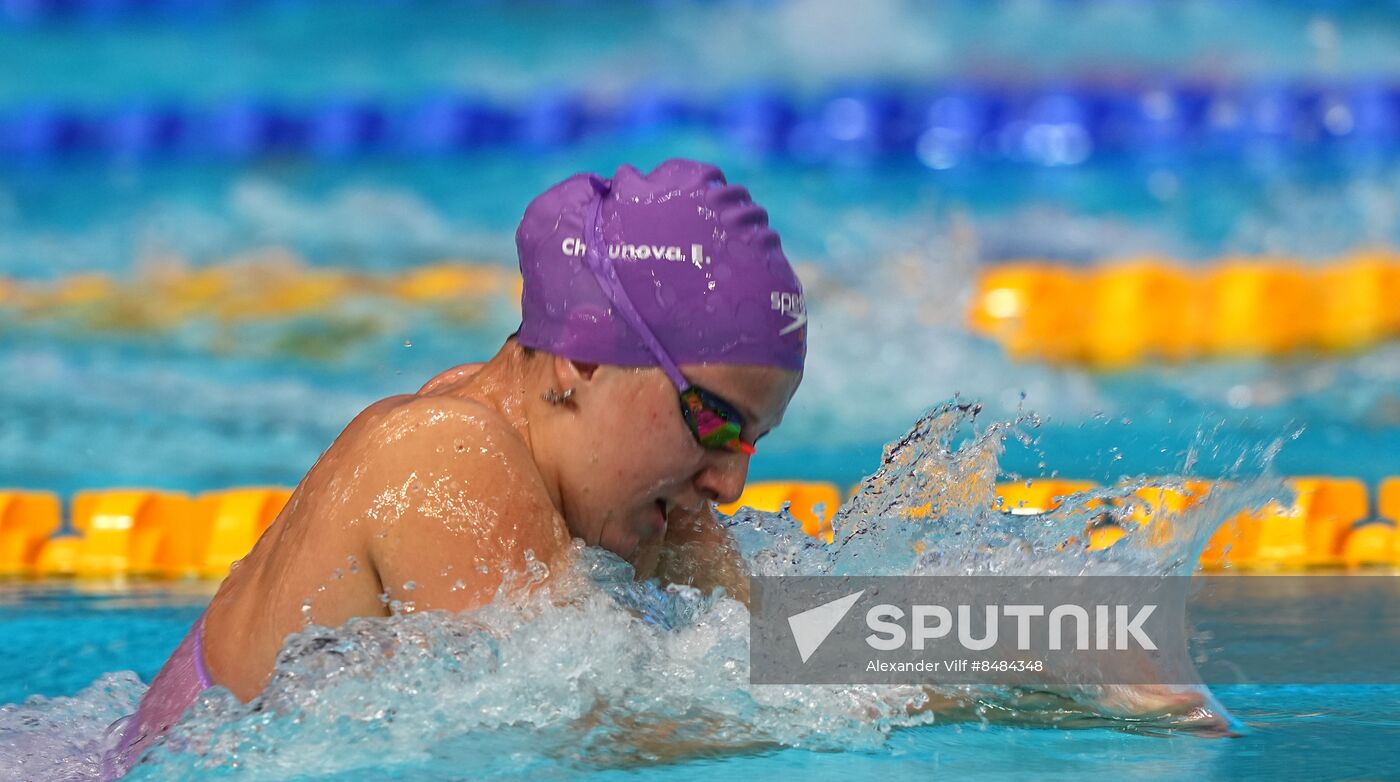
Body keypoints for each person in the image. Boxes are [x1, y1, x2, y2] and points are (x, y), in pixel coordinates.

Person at [102, 159, 807, 777]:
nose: (730, 484)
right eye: (714, 422)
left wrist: (913, 646)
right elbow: (585, 731)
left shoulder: (618, 488)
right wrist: (844, 707)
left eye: (751, 442)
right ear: (586, 358)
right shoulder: (446, 452)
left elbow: (787, 645)